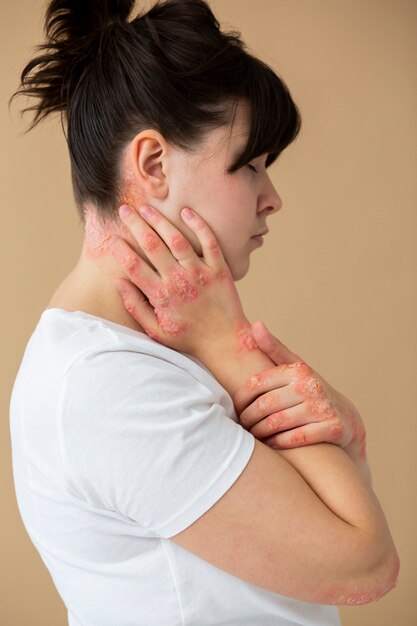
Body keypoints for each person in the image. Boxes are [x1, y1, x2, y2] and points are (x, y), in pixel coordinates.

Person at [9, 1, 399, 625]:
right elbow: (365, 565)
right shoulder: (103, 384)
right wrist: (229, 345)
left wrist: (345, 430)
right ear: (154, 165)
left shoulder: (156, 348)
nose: (272, 198)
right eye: (248, 165)